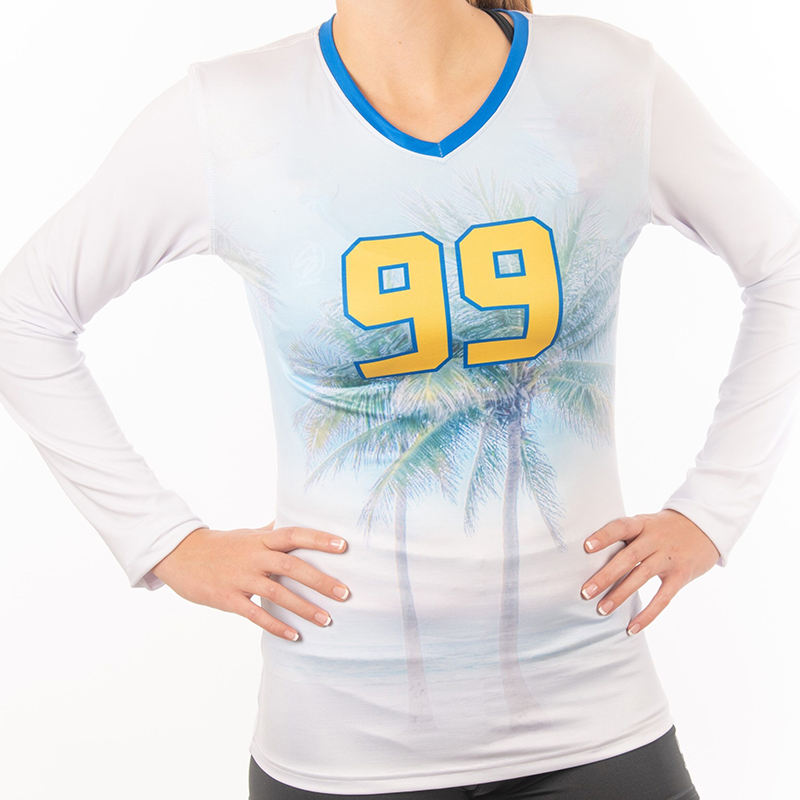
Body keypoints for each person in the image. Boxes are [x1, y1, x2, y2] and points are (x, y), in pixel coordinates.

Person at [2, 0, 799, 797]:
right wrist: (163, 543)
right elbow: (25, 315)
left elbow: (782, 266)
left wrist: (713, 511)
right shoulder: (228, 114)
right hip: (341, 746)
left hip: (597, 717)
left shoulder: (607, 80)